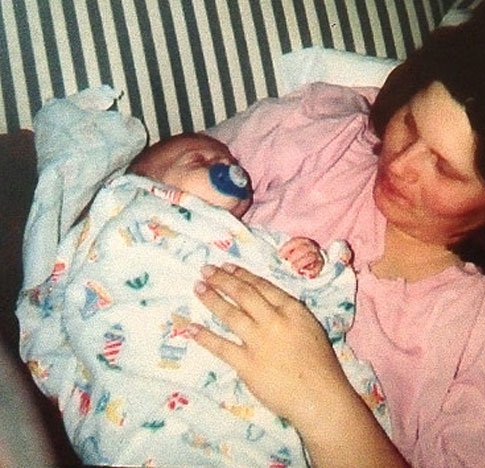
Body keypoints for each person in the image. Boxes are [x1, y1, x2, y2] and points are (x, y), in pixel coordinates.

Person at [188, 1, 485, 466]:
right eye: (410, 124)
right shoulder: (315, 137)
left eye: (445, 169)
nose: (400, 164)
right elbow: (140, 198)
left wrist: (320, 398)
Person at [17, 132, 389, 466]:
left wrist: (310, 268)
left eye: (231, 161)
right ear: (147, 182)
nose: (226, 165)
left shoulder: (256, 241)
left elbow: (310, 312)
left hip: (254, 392)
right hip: (149, 377)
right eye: (199, 160)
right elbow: (70, 283)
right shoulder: (127, 212)